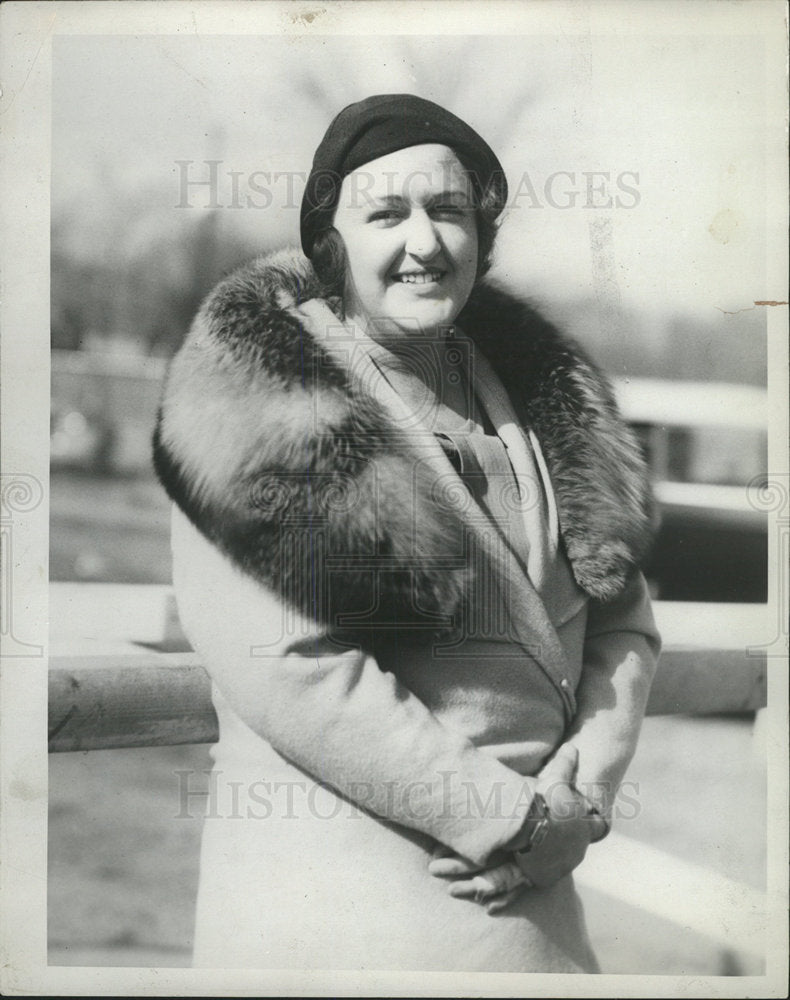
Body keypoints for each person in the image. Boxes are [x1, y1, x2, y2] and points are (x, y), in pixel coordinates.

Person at [153, 94, 660, 973]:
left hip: (533, 905)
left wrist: (585, 794)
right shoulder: (257, 403)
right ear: (331, 239)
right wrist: (513, 820)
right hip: (342, 903)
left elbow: (623, 621)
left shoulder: (531, 402)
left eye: (448, 210)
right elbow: (290, 666)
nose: (423, 242)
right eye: (386, 212)